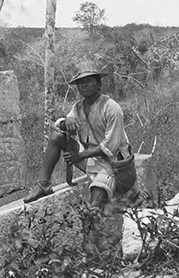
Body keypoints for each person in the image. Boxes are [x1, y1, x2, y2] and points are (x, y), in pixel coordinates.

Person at [24, 63, 135, 209]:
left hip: (112, 165)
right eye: (80, 83)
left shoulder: (112, 108)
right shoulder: (78, 107)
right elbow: (58, 125)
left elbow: (110, 147)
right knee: (56, 137)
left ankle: (97, 225)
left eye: (88, 81)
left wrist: (80, 156)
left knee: (95, 204)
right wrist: (65, 122)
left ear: (99, 84)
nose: (84, 85)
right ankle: (43, 184)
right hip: (90, 161)